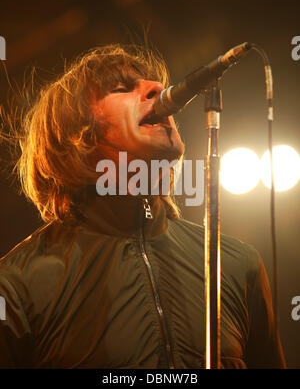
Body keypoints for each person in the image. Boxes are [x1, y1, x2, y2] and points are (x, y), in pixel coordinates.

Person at [0, 43, 285, 369]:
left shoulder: (236, 264)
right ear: (77, 134)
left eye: (153, 83)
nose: (157, 88)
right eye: (122, 88)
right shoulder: (16, 284)